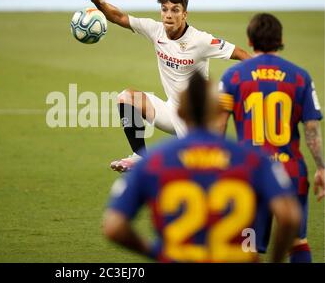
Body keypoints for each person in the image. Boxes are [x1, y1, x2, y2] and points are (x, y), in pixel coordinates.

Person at [103, 72, 301, 263]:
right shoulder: (255, 160)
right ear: (218, 110)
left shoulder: (153, 160)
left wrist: (157, 253)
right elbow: (289, 217)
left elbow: (113, 226)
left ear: (179, 113)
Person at [86, 0, 251, 173]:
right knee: (126, 97)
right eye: (164, 9)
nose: (169, 15)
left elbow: (240, 54)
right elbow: (118, 17)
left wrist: (259, 73)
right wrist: (98, 3)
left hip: (195, 119)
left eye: (175, 10)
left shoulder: (201, 40)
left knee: (201, 173)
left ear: (185, 14)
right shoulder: (155, 30)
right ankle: (139, 156)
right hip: (172, 110)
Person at [217, 13, 324, 263]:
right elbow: (312, 129)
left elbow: (218, 125)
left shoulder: (232, 76)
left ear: (249, 40)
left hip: (249, 172)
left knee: (246, 245)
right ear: (281, 39)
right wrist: (320, 167)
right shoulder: (300, 77)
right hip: (290, 171)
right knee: (297, 242)